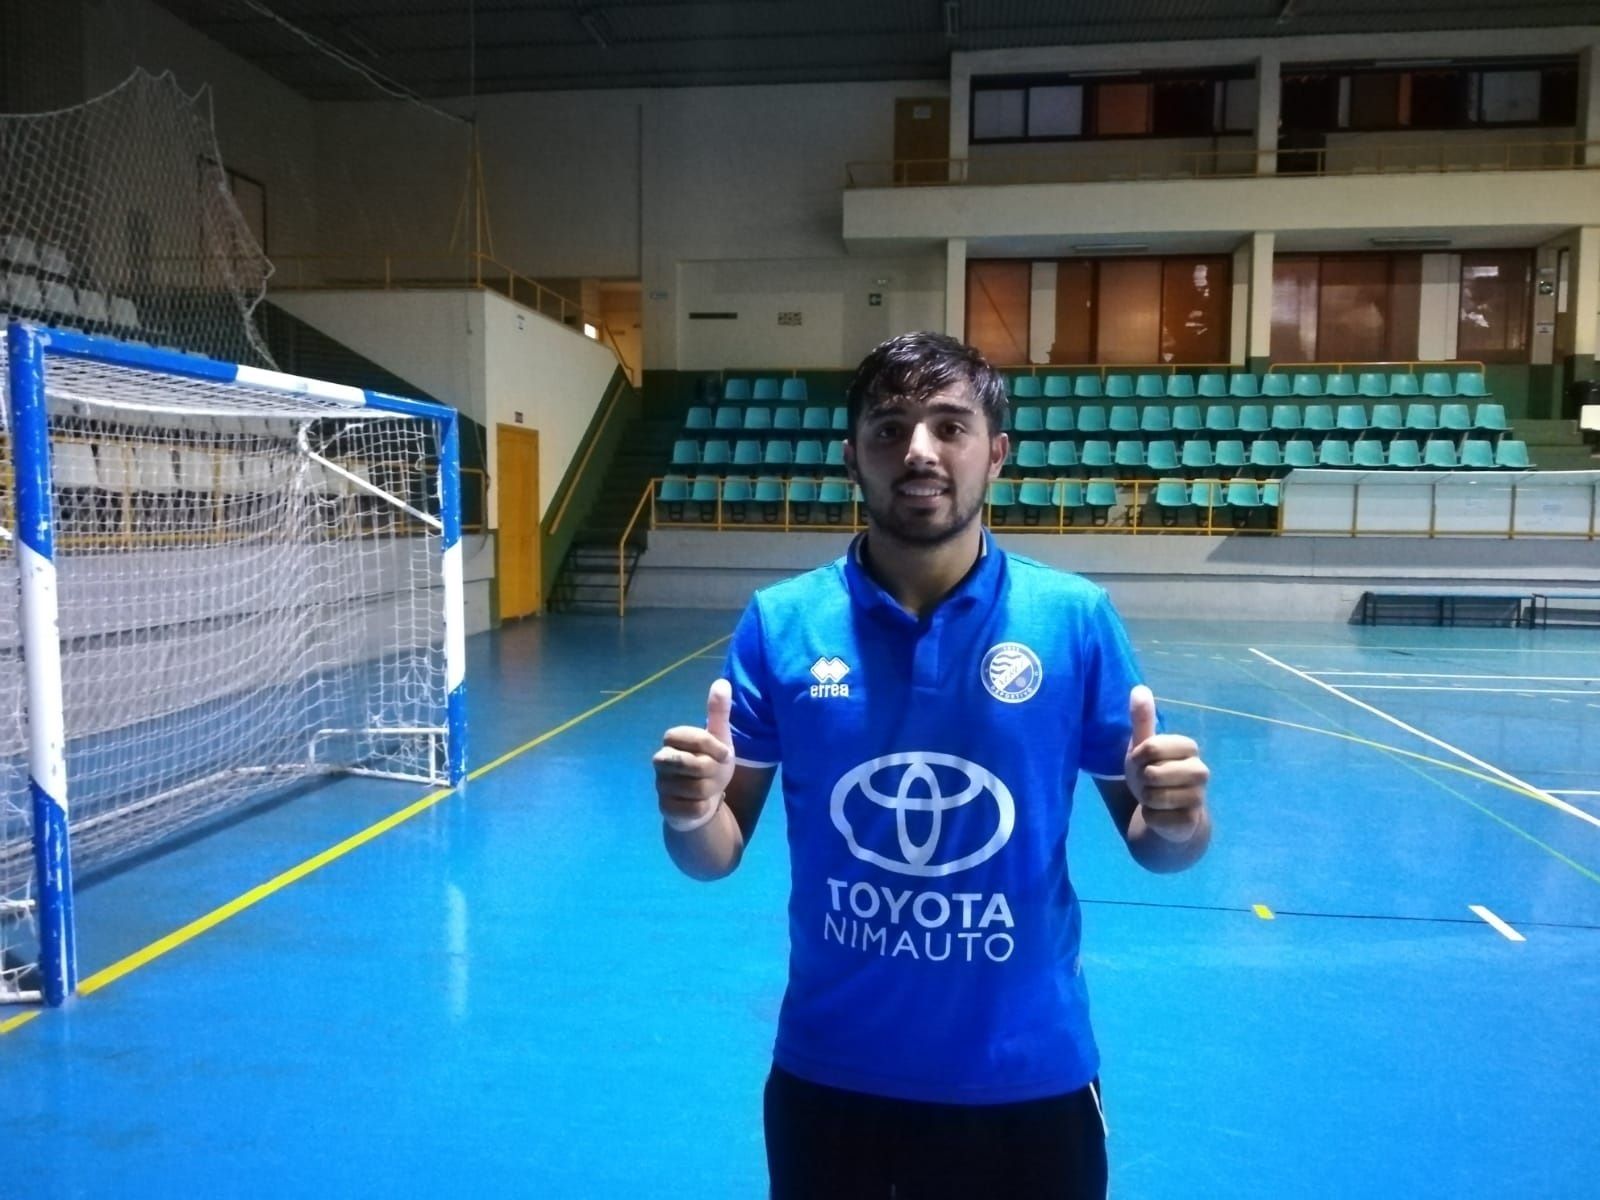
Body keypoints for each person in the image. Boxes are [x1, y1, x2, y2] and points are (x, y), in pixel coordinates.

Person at [653, 332, 1211, 1199]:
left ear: (997, 453)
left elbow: (1161, 848)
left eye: (950, 426)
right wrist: (690, 813)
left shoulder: (1073, 619)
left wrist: (1178, 818)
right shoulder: (781, 624)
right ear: (853, 458)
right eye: (890, 428)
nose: (919, 450)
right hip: (832, 1078)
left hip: (1027, 1078)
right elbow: (714, 855)